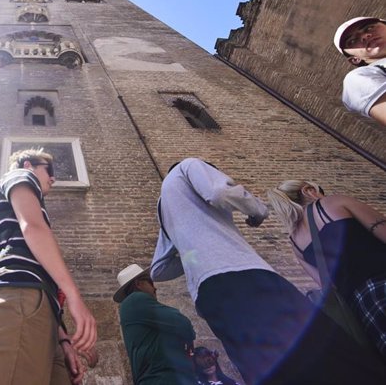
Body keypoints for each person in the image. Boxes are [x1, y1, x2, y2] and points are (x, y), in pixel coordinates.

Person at [150, 158, 386, 384]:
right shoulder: (188, 165)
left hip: (208, 298)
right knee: (326, 346)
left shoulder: (163, 205)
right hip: (245, 276)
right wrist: (258, 210)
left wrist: (194, 249)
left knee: (265, 369)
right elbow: (219, 192)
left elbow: (158, 269)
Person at [0, 148, 96, 385]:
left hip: (37, 312)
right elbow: (32, 226)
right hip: (18, 298)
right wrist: (74, 296)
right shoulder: (21, 175)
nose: (53, 178)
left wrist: (61, 341)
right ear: (28, 165)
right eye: (48, 170)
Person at [268, 180, 386, 359]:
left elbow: (328, 288)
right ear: (309, 190)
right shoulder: (333, 203)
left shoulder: (296, 243)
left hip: (363, 309)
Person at [113, 264, 196, 384]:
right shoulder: (136, 300)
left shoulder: (134, 307)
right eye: (151, 282)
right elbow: (182, 323)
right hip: (162, 378)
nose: (155, 288)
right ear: (138, 284)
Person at [333, 16, 386, 125]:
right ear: (355, 59)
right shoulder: (359, 78)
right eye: (352, 41)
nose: (365, 36)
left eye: (369, 28)